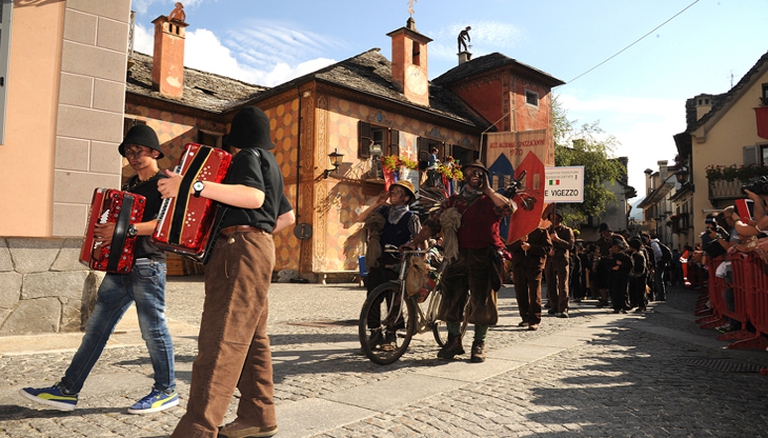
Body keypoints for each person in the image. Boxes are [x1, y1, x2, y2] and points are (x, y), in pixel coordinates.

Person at [20, 125, 178, 414]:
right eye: (128, 152)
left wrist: (123, 229)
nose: (132, 156)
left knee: (153, 331)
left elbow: (166, 225)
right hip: (118, 270)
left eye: (137, 150)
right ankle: (67, 391)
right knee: (95, 331)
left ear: (155, 151)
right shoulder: (130, 185)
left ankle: (166, 391)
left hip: (147, 266)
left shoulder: (166, 183)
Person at [161, 107, 295, 438]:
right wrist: (259, 237)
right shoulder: (270, 163)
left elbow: (253, 196)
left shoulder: (247, 156)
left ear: (236, 138)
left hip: (239, 247)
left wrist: (192, 186)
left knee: (220, 338)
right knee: (252, 340)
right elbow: (288, 218)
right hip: (259, 249)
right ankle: (258, 415)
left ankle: (196, 430)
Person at [404, 160, 517, 363]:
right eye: (471, 171)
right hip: (456, 255)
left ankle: (479, 343)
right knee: (451, 298)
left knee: (482, 300)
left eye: (480, 172)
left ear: (485, 177)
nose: (475, 175)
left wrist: (488, 190)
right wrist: (415, 242)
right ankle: (454, 340)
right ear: (464, 176)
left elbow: (508, 209)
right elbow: (432, 224)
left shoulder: (492, 200)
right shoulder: (452, 201)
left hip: (484, 254)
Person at [358, 180, 421, 351]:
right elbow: (360, 218)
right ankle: (375, 332)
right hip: (379, 260)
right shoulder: (383, 211)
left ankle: (391, 335)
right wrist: (377, 203)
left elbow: (418, 240)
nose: (393, 195)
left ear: (406, 198)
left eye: (398, 192)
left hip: (399, 263)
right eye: (392, 191)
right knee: (372, 298)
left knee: (394, 300)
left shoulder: (411, 218)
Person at [509, 219, 551, 331]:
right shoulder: (517, 230)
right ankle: (525, 317)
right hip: (519, 265)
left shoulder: (541, 231)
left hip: (535, 265)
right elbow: (509, 246)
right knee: (520, 291)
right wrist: (519, 242)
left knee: (534, 292)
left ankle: (535, 319)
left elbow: (547, 248)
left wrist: (530, 247)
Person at [544, 209, 574, 318]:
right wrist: (548, 251)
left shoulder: (567, 230)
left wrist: (558, 240)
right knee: (550, 284)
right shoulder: (547, 230)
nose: (553, 219)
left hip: (562, 259)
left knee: (563, 284)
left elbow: (570, 245)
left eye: (555, 217)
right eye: (551, 217)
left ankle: (563, 308)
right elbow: (544, 244)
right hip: (550, 260)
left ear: (560, 218)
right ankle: (554, 306)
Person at [607, 238, 631, 314]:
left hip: (623, 276)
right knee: (614, 291)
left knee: (623, 291)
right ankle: (616, 306)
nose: (614, 248)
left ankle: (624, 305)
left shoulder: (625, 257)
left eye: (615, 247)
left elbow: (630, 266)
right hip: (613, 277)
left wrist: (622, 265)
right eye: (613, 247)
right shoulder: (611, 257)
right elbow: (606, 266)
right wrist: (612, 268)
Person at [628, 238, 648, 312]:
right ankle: (635, 303)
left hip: (639, 275)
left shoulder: (639, 255)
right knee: (633, 290)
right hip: (635, 275)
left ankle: (641, 305)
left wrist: (635, 270)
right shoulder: (634, 254)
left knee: (640, 291)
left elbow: (640, 267)